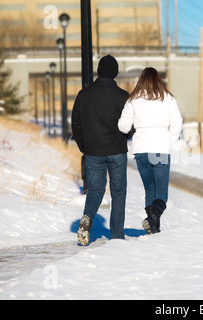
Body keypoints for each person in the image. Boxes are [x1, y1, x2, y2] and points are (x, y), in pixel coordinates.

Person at [71, 55, 134, 245]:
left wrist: (84, 146)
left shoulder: (84, 95)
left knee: (96, 190)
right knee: (118, 192)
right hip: (116, 150)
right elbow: (130, 126)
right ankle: (116, 235)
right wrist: (125, 137)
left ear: (99, 71)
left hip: (93, 151)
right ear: (114, 73)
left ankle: (87, 218)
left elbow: (76, 124)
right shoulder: (123, 97)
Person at [118, 67, 182, 234]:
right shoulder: (167, 99)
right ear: (158, 80)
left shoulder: (133, 100)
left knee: (150, 190)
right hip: (160, 149)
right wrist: (169, 141)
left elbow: (123, 127)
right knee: (161, 193)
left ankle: (153, 227)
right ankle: (152, 220)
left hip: (141, 150)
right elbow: (177, 123)